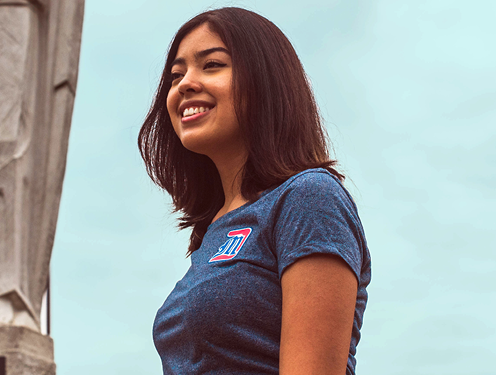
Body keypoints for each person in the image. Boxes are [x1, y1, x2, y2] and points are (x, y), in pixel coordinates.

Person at [138, 7, 371, 375]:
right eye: (176, 75)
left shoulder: (309, 198)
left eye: (212, 65)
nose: (184, 84)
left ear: (265, 80)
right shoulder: (213, 230)